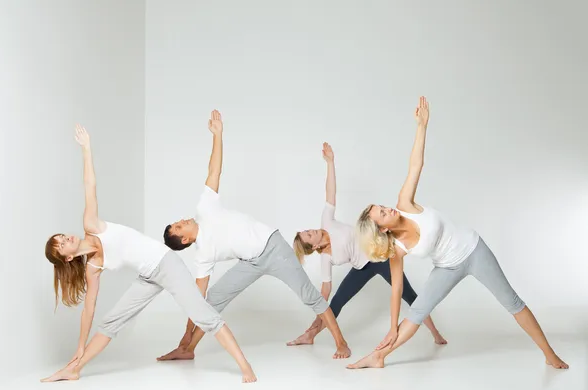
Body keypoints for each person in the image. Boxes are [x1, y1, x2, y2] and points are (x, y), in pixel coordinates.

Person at [347, 97, 568, 370]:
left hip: (474, 250)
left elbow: (416, 165)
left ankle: (549, 353)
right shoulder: (397, 250)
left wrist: (422, 127)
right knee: (416, 313)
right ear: (381, 229)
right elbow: (397, 290)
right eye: (382, 213)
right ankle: (378, 356)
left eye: (382, 206)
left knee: (512, 301)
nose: (387, 209)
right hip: (447, 267)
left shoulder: (405, 203)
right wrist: (392, 327)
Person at [41, 124, 257, 383]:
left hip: (166, 263)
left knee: (204, 315)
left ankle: (245, 366)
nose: (67, 238)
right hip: (148, 276)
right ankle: (74, 369)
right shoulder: (93, 266)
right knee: (111, 322)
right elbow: (89, 308)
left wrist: (86, 149)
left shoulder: (91, 225)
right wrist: (79, 346)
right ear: (67, 258)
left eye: (62, 237)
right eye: (62, 244)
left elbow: (90, 184)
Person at [157, 110, 351, 362]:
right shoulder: (203, 254)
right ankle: (188, 348)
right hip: (250, 261)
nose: (181, 221)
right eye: (178, 227)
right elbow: (198, 299)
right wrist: (186, 332)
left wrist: (218, 135)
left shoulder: (204, 207)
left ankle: (341, 342)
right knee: (213, 299)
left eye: (177, 222)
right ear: (184, 240)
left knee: (309, 296)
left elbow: (214, 171)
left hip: (273, 247)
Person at [287, 143, 447, 346]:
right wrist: (315, 320)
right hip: (361, 268)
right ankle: (310, 335)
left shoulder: (326, 221)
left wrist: (330, 163)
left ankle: (435, 333)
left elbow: (330, 193)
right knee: (336, 302)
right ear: (315, 247)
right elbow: (325, 293)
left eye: (308, 230)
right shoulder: (326, 259)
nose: (312, 230)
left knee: (410, 296)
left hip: (380, 257)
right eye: (309, 235)